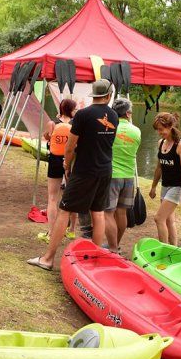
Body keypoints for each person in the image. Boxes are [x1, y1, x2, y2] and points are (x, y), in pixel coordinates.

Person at [28, 79, 118, 271]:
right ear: (109, 95)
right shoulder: (114, 116)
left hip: (84, 170)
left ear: (94, 94)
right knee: (98, 212)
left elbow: (70, 146)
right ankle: (94, 260)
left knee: (64, 210)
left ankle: (48, 259)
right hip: (105, 170)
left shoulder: (84, 115)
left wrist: (67, 166)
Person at [149, 112, 181, 246]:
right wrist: (154, 186)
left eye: (161, 129)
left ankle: (164, 250)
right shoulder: (161, 143)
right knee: (168, 220)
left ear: (171, 126)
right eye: (158, 130)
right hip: (165, 186)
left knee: (159, 218)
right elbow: (159, 167)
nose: (159, 133)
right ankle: (173, 249)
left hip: (177, 187)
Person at [106, 98, 141, 249]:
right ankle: (116, 244)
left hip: (112, 175)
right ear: (127, 113)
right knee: (121, 213)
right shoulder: (137, 131)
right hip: (128, 176)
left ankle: (112, 247)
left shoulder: (109, 128)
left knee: (108, 213)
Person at [41, 99, 77, 241]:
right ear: (69, 110)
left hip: (55, 160)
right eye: (74, 109)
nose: (76, 111)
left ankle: (51, 232)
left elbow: (47, 137)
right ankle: (72, 230)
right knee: (73, 196)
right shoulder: (76, 124)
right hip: (71, 160)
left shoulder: (52, 123)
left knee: (52, 198)